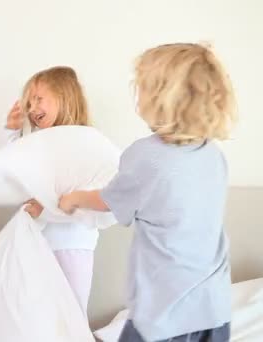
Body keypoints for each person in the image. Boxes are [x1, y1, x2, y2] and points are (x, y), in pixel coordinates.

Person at [59, 43, 236, 342]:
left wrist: (74, 198)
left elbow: (107, 201)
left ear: (159, 99)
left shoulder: (146, 158)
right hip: (215, 310)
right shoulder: (214, 155)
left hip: (164, 316)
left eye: (140, 86)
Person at [4, 66, 98, 316]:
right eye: (29, 101)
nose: (32, 108)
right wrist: (13, 131)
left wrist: (44, 209)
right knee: (39, 312)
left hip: (72, 244)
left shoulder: (86, 143)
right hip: (40, 242)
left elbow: (84, 199)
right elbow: (12, 169)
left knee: (71, 314)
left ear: (64, 99)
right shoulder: (39, 144)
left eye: (39, 99)